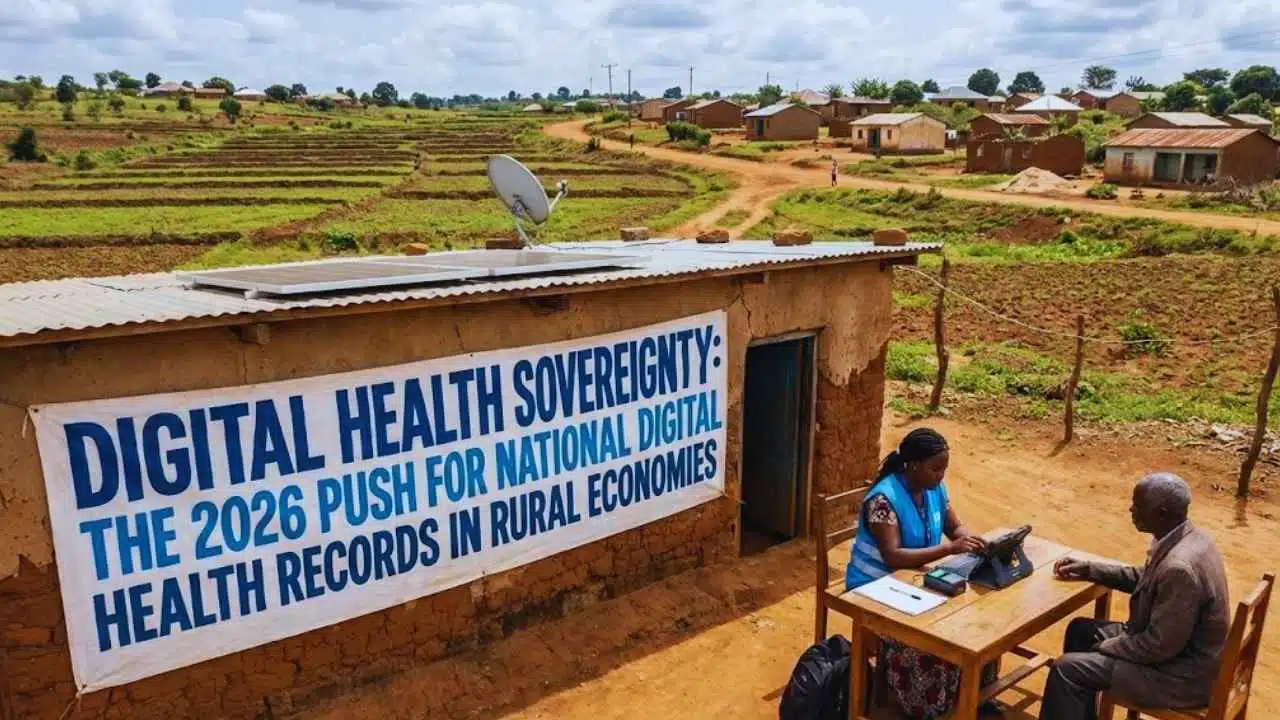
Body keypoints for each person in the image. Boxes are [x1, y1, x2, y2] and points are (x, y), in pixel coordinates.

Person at [1040, 473, 1229, 720]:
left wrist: (1107, 646)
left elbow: (1157, 647)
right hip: (1178, 653)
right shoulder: (1189, 537)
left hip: (1179, 677)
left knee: (1066, 670)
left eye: (1138, 506)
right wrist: (1090, 569)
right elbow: (1147, 579)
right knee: (1080, 630)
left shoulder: (1179, 568)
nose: (1131, 509)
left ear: (1161, 513)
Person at [846, 428, 1003, 718]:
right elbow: (892, 556)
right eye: (935, 469)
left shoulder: (934, 490)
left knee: (978, 626)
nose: (941, 475)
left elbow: (954, 527)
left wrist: (968, 540)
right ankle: (929, 708)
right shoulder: (884, 500)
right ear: (913, 465)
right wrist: (949, 550)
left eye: (944, 469)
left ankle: (970, 699)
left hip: (913, 583)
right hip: (874, 587)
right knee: (928, 644)